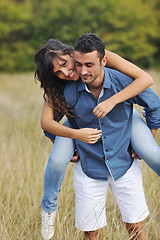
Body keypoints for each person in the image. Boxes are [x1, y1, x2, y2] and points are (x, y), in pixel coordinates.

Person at [34, 36, 160, 240]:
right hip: (85, 155)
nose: (68, 72)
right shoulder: (61, 88)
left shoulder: (104, 60)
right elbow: (48, 124)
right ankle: (48, 210)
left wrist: (112, 101)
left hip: (123, 148)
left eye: (65, 64)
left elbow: (147, 85)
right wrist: (72, 142)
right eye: (58, 71)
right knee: (57, 160)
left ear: (71, 53)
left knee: (152, 153)